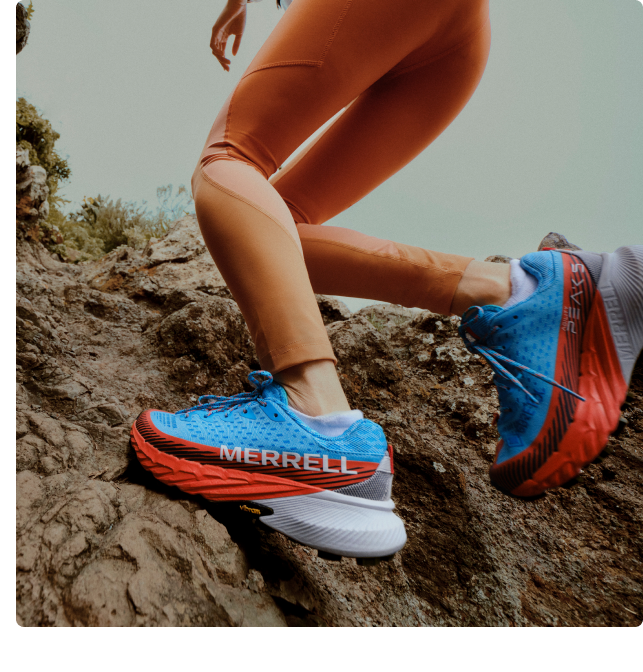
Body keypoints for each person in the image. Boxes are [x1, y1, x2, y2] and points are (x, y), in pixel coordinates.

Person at [131, 0, 642, 561]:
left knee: (228, 161)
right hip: (456, 41)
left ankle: (316, 423)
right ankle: (522, 293)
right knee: (273, 228)